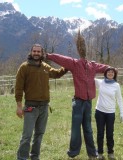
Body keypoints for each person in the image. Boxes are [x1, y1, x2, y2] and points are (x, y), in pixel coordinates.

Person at [45, 30, 110, 159]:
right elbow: (61, 59)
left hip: (88, 102)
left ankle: (92, 153)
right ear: (80, 49)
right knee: (76, 129)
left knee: (88, 128)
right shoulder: (74, 63)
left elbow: (105, 68)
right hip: (78, 102)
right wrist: (48, 55)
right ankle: (73, 152)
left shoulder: (92, 65)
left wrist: (112, 70)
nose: (83, 51)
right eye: (81, 48)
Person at [15, 44, 68, 160]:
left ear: (42, 53)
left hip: (44, 107)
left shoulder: (45, 67)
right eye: (34, 51)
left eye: (38, 51)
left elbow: (56, 74)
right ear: (31, 52)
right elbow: (18, 88)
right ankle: (22, 157)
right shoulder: (24, 67)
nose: (36, 53)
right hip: (30, 107)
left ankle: (35, 156)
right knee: (27, 136)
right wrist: (19, 106)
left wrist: (67, 66)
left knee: (39, 135)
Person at [94, 67, 123, 160]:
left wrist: (122, 112)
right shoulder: (100, 82)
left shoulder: (116, 85)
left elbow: (119, 99)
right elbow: (89, 76)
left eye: (112, 72)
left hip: (110, 113)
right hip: (99, 112)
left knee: (110, 133)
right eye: (109, 72)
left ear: (115, 74)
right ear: (105, 73)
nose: (110, 73)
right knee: (100, 133)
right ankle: (99, 153)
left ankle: (110, 152)